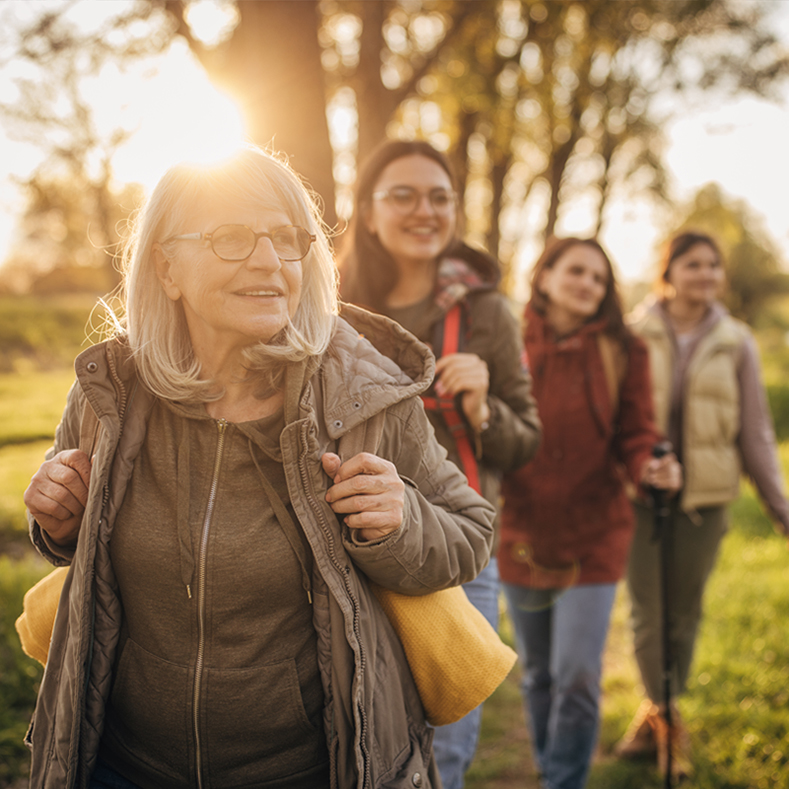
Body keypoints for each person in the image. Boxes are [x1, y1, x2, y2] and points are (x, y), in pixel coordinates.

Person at [22, 144, 498, 789]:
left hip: (309, 769)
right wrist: (60, 521)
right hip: (123, 764)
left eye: (286, 238)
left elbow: (470, 532)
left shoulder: (364, 397)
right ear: (166, 267)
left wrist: (400, 520)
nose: (270, 261)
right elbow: (79, 546)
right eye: (232, 238)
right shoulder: (110, 393)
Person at [337, 139, 541, 789]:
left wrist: (482, 409)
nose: (422, 209)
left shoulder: (486, 313)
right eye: (402, 194)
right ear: (368, 212)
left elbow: (524, 440)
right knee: (349, 732)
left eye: (438, 196)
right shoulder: (327, 307)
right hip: (347, 541)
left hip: (456, 557)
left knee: (444, 747)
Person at [497, 236, 682, 789]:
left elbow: (637, 430)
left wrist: (651, 463)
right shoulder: (507, 342)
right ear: (545, 276)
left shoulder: (625, 350)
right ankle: (551, 764)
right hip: (521, 533)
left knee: (576, 675)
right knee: (538, 676)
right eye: (576, 271)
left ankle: (563, 781)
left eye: (598, 279)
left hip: (595, 535)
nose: (587, 285)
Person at [617, 230, 789, 777]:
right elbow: (616, 422)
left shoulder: (736, 341)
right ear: (668, 272)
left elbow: (756, 432)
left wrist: (779, 506)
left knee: (682, 614)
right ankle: (668, 721)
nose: (707, 275)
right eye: (693, 264)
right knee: (647, 613)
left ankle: (658, 715)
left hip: (706, 500)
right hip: (640, 498)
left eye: (714, 265)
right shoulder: (632, 334)